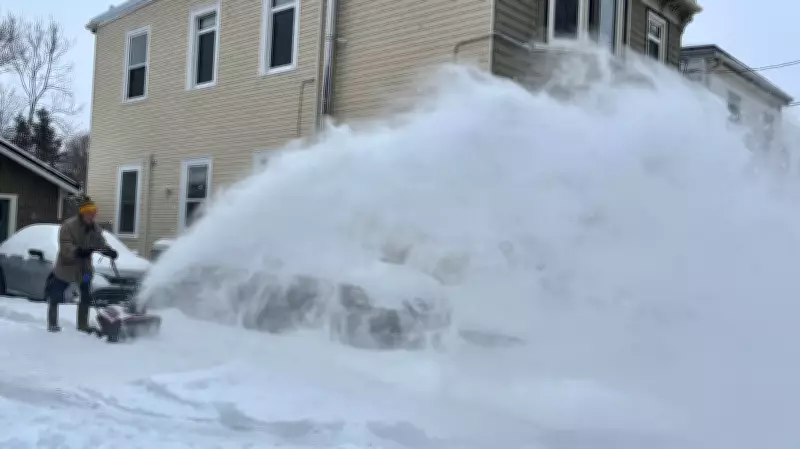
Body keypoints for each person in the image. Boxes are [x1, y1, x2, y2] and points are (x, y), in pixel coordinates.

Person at [47, 196, 118, 333]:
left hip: (84, 271)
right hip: (66, 269)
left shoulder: (95, 228)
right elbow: (65, 246)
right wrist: (78, 251)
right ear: (82, 213)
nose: (92, 217)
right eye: (89, 214)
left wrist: (109, 251)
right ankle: (52, 323)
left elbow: (100, 243)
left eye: (94, 214)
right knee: (56, 294)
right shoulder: (68, 226)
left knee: (86, 293)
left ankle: (83, 325)